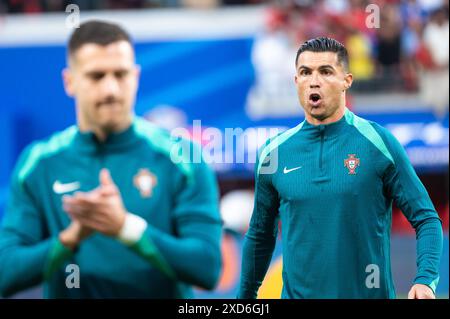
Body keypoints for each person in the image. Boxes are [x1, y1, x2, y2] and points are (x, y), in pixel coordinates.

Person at [0, 20, 222, 298]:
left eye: (121, 74)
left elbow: (208, 268)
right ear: (69, 82)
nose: (111, 90)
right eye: (96, 76)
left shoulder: (182, 158)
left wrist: (124, 227)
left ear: (136, 77)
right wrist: (69, 239)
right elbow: (6, 273)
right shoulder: (39, 163)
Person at [238, 37, 443, 299]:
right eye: (305, 72)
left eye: (325, 71)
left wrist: (425, 279)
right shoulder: (273, 153)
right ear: (296, 82)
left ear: (347, 80)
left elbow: (426, 219)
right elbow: (259, 236)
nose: (314, 81)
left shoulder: (378, 143)